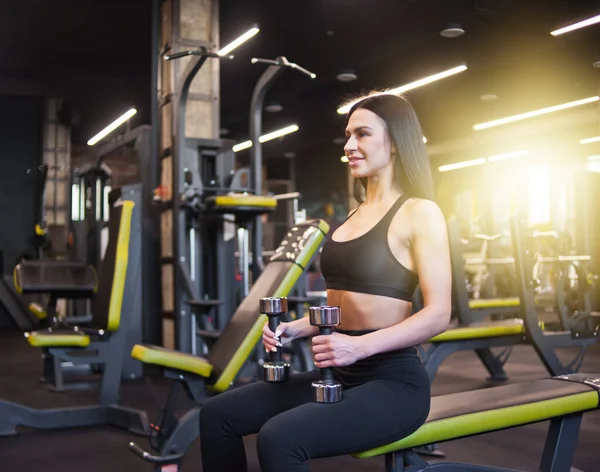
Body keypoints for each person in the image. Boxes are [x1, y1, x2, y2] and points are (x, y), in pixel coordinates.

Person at [199, 93, 452, 471]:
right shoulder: (354, 214)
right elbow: (346, 304)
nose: (350, 145)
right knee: (218, 415)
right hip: (339, 374)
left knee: (279, 437)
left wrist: (358, 348)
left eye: (363, 134)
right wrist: (294, 328)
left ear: (396, 142)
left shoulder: (419, 212)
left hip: (393, 384)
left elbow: (437, 314)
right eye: (348, 135)